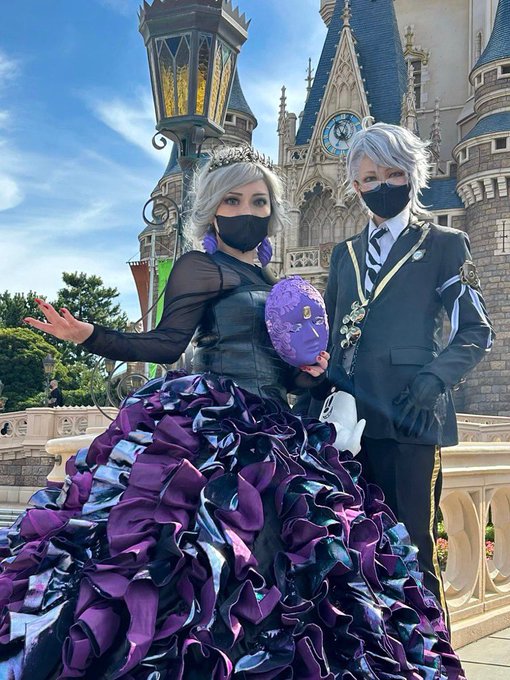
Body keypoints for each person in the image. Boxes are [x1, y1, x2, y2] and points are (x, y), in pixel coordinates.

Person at [0, 146, 464, 678]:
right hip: (216, 425)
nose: (247, 211)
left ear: (273, 210)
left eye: (259, 201)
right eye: (233, 200)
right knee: (199, 559)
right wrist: (90, 335)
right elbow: (166, 344)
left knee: (290, 562)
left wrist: (310, 372)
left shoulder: (269, 280)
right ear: (213, 210)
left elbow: (285, 375)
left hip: (276, 429)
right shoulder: (200, 267)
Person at [303, 120, 494, 615]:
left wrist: (433, 380)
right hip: (347, 426)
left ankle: (432, 653)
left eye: (392, 174)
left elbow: (476, 330)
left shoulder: (445, 244)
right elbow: (332, 336)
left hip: (412, 419)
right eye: (369, 178)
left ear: (412, 175)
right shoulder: (344, 255)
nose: (381, 185)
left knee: (413, 554)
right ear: (355, 185)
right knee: (352, 554)